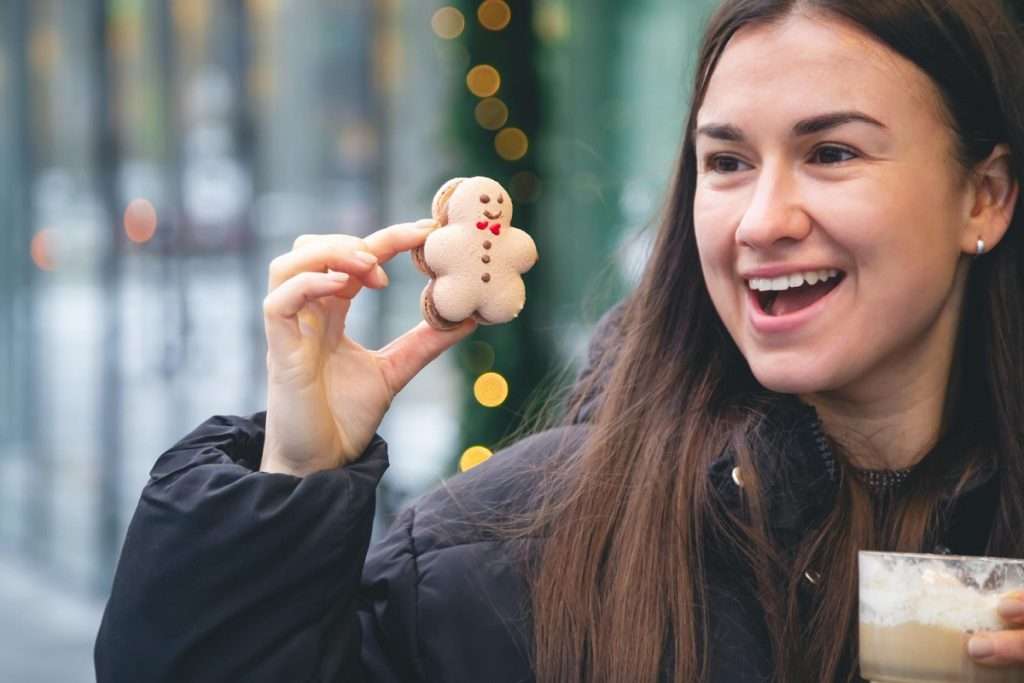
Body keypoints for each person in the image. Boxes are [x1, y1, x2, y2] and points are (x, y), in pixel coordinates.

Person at [94, 0, 1024, 681]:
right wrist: (292, 475)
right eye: (728, 163)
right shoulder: (521, 546)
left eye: (831, 153)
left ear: (982, 196)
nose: (761, 221)